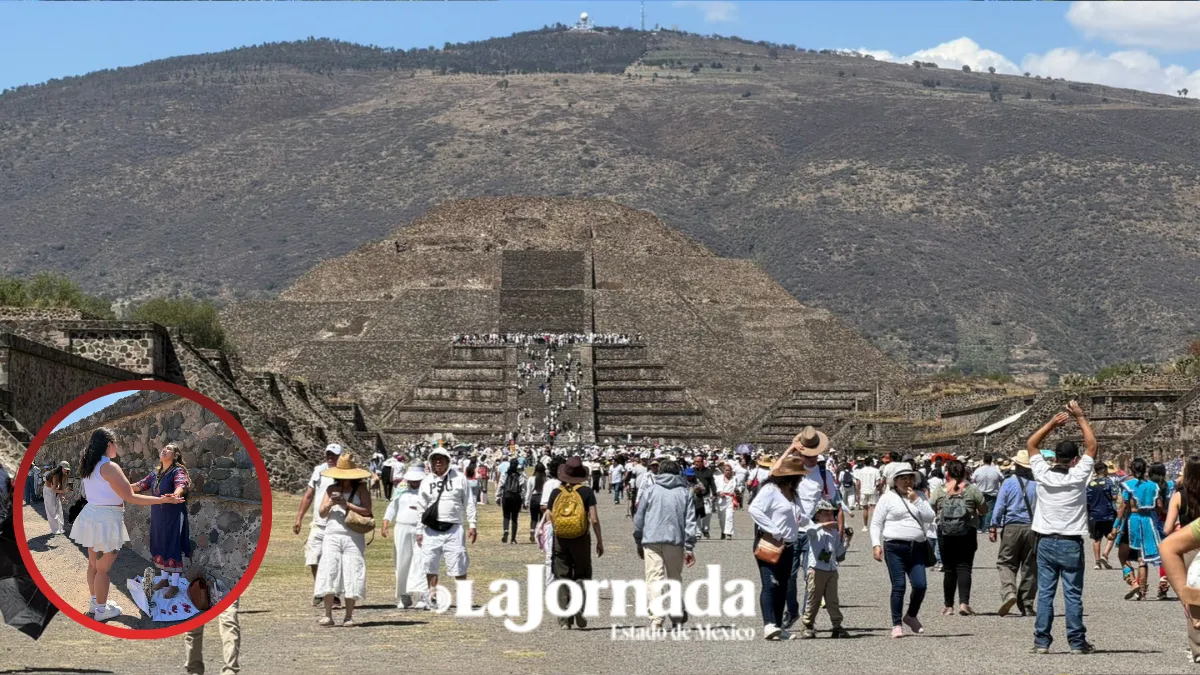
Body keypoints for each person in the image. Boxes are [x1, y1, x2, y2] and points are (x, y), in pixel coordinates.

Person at [70, 428, 184, 622]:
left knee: (93, 565)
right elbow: (130, 497)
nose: (117, 447)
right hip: (106, 520)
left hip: (92, 516)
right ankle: (100, 610)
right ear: (109, 444)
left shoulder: (90, 465)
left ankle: (95, 602)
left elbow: (116, 489)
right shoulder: (110, 467)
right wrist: (163, 500)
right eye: (115, 443)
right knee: (103, 569)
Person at [1027, 401, 1097, 655]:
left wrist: (1052, 424)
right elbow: (1092, 446)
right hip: (1070, 541)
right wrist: (1079, 416)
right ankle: (1077, 642)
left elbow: (1031, 445)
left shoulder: (1042, 474)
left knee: (1045, 593)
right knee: (1072, 594)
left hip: (1045, 540)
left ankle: (1041, 641)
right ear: (1075, 460)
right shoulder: (1079, 476)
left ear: (1054, 457)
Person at [749, 448, 809, 640]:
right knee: (770, 584)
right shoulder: (770, 491)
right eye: (799, 476)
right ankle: (768, 624)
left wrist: (814, 523)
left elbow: (800, 516)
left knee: (783, 586)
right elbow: (754, 509)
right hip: (770, 543)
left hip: (789, 545)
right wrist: (774, 529)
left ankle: (777, 626)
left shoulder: (793, 494)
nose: (801, 479)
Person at [785, 428, 841, 631]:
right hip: (791, 531)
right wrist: (789, 451)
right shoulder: (791, 470)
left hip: (814, 531)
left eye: (813, 454)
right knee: (789, 576)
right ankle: (791, 609)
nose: (810, 458)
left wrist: (836, 531)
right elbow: (774, 473)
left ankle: (807, 618)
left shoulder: (824, 474)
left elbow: (833, 502)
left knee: (811, 577)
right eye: (806, 454)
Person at [870, 464, 934, 639]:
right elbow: (876, 523)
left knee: (920, 585)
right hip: (894, 546)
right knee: (899, 586)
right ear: (895, 481)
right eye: (903, 478)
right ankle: (896, 623)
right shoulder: (887, 498)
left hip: (917, 546)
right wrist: (876, 544)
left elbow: (930, 517)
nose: (907, 481)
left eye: (910, 478)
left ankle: (911, 615)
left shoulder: (919, 496)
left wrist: (917, 500)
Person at [314, 454, 373, 627]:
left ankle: (349, 615)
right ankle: (327, 614)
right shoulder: (331, 489)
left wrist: (347, 505)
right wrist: (331, 503)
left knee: (352, 571)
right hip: (332, 533)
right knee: (329, 570)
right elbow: (322, 513)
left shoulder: (361, 489)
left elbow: (367, 510)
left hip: (353, 535)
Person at [416, 447, 477, 610]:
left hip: (454, 528)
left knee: (459, 562)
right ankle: (432, 595)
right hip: (431, 528)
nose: (438, 462)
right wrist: (419, 529)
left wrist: (472, 523)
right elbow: (421, 507)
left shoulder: (460, 478)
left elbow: (469, 501)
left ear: (448, 461)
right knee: (430, 563)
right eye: (435, 459)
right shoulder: (426, 481)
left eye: (441, 459)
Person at [546, 457, 603, 629]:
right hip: (581, 538)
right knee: (582, 574)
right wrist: (600, 541)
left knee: (561, 576)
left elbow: (549, 515)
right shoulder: (586, 492)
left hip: (561, 539)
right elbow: (593, 519)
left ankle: (564, 619)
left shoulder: (556, 493)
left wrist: (560, 525)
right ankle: (579, 610)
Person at [130, 443, 193, 599]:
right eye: (164, 448)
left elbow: (181, 484)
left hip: (173, 516)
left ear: (176, 455)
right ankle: (164, 580)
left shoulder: (177, 471)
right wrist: (119, 486)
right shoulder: (155, 474)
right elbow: (139, 486)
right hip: (158, 516)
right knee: (161, 545)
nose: (164, 450)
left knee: (173, 546)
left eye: (169, 449)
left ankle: (175, 585)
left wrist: (175, 494)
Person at [931, 460, 987, 616]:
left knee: (949, 569)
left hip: (945, 532)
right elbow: (983, 509)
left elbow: (931, 506)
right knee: (964, 567)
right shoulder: (971, 490)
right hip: (967, 532)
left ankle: (948, 606)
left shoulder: (941, 490)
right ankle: (964, 603)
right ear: (965, 473)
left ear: (947, 473)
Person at [990, 449, 1039, 617]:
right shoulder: (1037, 484)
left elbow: (1000, 506)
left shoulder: (1009, 483)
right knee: (1030, 566)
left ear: (1017, 465)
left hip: (1012, 527)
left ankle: (1009, 591)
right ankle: (1027, 603)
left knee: (1006, 563)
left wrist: (994, 525)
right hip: (1032, 527)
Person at [293, 444, 343, 608]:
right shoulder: (319, 470)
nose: (330, 458)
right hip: (318, 523)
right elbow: (308, 495)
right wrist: (299, 518)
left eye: (334, 455)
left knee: (333, 560)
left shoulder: (346, 473)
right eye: (328, 454)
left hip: (336, 523)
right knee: (313, 558)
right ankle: (320, 590)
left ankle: (333, 594)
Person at [1160, 478, 1200, 663]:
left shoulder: (1178, 495)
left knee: (1194, 601)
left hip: (1188, 545)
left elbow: (1167, 532)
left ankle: (1197, 650)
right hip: (1190, 540)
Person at [381, 466, 429, 609]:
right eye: (412, 480)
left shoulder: (427, 492)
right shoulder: (401, 490)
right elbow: (392, 507)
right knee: (402, 561)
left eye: (417, 480)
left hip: (421, 529)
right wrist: (385, 523)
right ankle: (404, 595)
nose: (414, 483)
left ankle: (423, 595)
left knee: (421, 560)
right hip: (402, 528)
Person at [800, 500, 849, 639]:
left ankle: (837, 625)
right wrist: (822, 525)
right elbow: (809, 531)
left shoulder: (834, 532)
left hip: (831, 569)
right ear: (817, 516)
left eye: (831, 514)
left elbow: (838, 553)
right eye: (825, 513)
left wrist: (847, 541)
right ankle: (807, 625)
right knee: (813, 599)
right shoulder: (814, 529)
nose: (830, 516)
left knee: (832, 600)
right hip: (816, 569)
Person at [1117, 457, 1163, 601]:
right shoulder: (1153, 486)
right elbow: (1159, 506)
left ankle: (1132, 581)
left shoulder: (1128, 485)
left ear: (1131, 469)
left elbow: (1123, 507)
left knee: (1122, 555)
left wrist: (1115, 526)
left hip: (1133, 521)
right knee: (1142, 558)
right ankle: (1142, 592)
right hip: (1148, 520)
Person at [183, 583, 240, 675]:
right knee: (193, 626)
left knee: (229, 622)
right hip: (197, 576)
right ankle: (194, 670)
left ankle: (230, 671)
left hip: (226, 580)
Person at [1086, 460, 1118, 570]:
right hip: (1108, 513)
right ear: (1104, 470)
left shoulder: (1090, 484)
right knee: (1112, 536)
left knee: (1096, 539)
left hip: (1094, 515)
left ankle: (1097, 562)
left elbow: (1087, 499)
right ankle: (1105, 555)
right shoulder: (1109, 482)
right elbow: (1114, 497)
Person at [971, 453, 1004, 532]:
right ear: (991, 460)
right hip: (992, 493)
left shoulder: (978, 470)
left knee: (979, 509)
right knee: (990, 510)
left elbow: (972, 480)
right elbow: (1002, 479)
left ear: (983, 460)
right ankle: (986, 526)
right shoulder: (995, 470)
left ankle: (979, 526)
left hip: (980, 493)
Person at [497, 460, 527, 544]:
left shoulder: (505, 474)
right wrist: (524, 500)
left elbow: (500, 485)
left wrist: (497, 497)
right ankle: (513, 538)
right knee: (514, 518)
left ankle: (506, 530)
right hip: (516, 497)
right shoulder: (520, 476)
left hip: (506, 496)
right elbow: (523, 489)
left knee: (506, 516)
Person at [41, 462, 70, 536]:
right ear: (61, 468)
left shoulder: (64, 475)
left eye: (67, 469)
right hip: (49, 491)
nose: (66, 471)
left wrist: (62, 496)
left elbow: (60, 487)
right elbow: (53, 489)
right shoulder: (54, 476)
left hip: (56, 490)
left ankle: (60, 528)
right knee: (52, 510)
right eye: (65, 469)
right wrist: (63, 491)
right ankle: (55, 530)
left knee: (59, 509)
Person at [856, 458, 882, 533]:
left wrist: (857, 493)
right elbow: (879, 482)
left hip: (863, 490)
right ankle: (875, 526)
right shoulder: (876, 471)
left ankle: (865, 526)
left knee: (865, 508)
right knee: (874, 508)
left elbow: (858, 483)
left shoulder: (860, 471)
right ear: (871, 463)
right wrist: (880, 490)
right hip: (872, 490)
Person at [714, 462, 737, 540]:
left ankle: (729, 533)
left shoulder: (734, 479)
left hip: (730, 499)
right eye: (726, 470)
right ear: (723, 471)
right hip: (721, 500)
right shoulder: (718, 478)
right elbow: (715, 487)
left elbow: (739, 486)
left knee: (729, 516)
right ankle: (723, 531)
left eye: (729, 470)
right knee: (722, 518)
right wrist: (719, 492)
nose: (728, 472)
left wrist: (737, 490)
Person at [528, 463, 547, 544]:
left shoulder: (531, 478)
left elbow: (528, 491)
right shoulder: (546, 479)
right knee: (542, 518)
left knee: (533, 517)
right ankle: (540, 534)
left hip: (534, 498)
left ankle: (532, 530)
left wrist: (526, 501)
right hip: (542, 498)